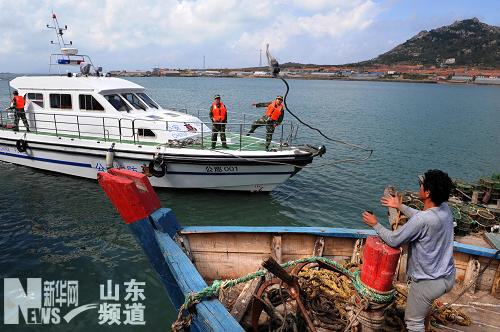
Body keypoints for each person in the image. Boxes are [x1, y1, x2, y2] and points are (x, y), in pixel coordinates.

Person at [362, 169, 455, 332]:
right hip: (447, 277)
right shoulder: (445, 210)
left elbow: (394, 239)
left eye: (421, 185)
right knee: (422, 312)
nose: (419, 187)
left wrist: (375, 224)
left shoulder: (422, 220)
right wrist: (400, 206)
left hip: (427, 283)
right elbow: (422, 216)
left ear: (427, 192)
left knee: (413, 323)